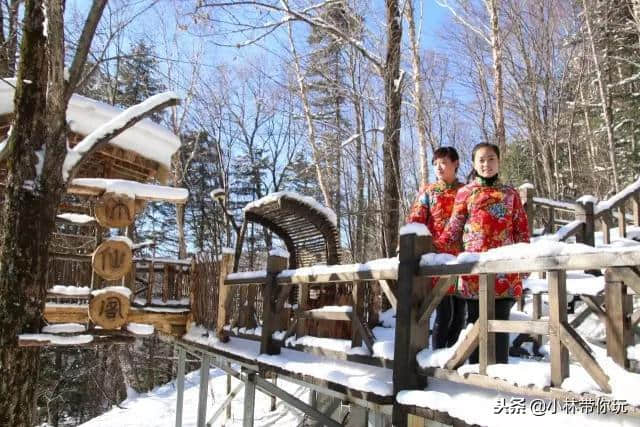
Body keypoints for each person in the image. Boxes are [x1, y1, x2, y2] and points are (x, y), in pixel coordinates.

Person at [436, 142, 530, 363]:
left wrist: (524, 266)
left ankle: (499, 378)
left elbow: (522, 233)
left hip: (506, 272)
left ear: (498, 161)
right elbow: (453, 230)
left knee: (500, 323)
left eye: (491, 159)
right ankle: (474, 379)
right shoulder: (466, 193)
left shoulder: (510, 194)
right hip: (474, 271)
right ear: (473, 163)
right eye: (481, 160)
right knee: (476, 324)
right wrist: (431, 248)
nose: (486, 164)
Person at [406, 146, 466, 349]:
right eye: (435, 164)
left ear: (455, 164)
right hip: (438, 259)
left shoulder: (466, 192)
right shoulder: (429, 192)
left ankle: (452, 360)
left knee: (460, 316)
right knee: (444, 313)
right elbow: (415, 220)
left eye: (443, 163)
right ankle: (437, 357)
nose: (439, 168)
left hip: (463, 259)